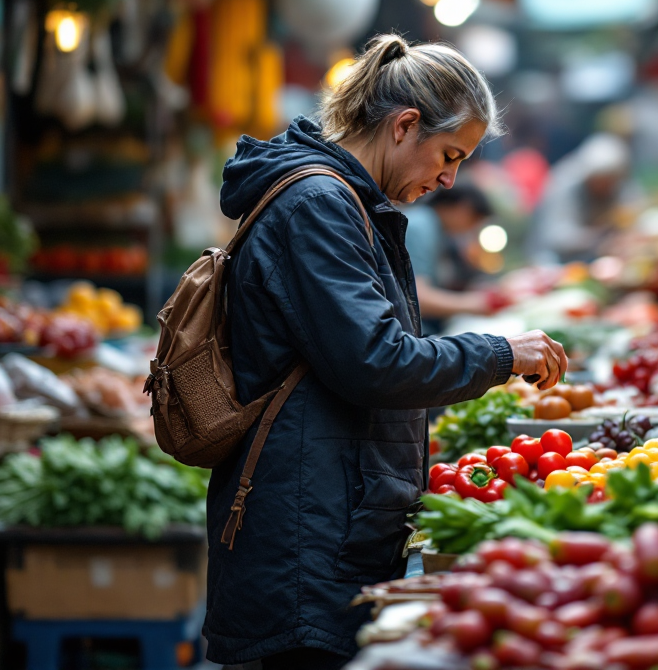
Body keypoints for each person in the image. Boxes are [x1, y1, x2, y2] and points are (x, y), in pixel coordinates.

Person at [204, 34, 568, 670]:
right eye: (449, 154)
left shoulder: (349, 204)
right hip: (307, 537)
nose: (450, 178)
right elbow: (376, 359)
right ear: (405, 126)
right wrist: (501, 354)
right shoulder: (319, 206)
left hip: (329, 516)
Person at [404, 183, 504, 332]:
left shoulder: (439, 230)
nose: (472, 228)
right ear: (464, 209)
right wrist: (476, 304)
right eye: (475, 221)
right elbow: (417, 298)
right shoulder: (421, 225)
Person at [529, 133, 635, 263]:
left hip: (595, 259)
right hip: (555, 260)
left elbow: (631, 207)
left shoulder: (614, 184)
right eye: (602, 181)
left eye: (611, 182)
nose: (606, 187)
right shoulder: (564, 184)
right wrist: (597, 239)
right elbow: (556, 237)